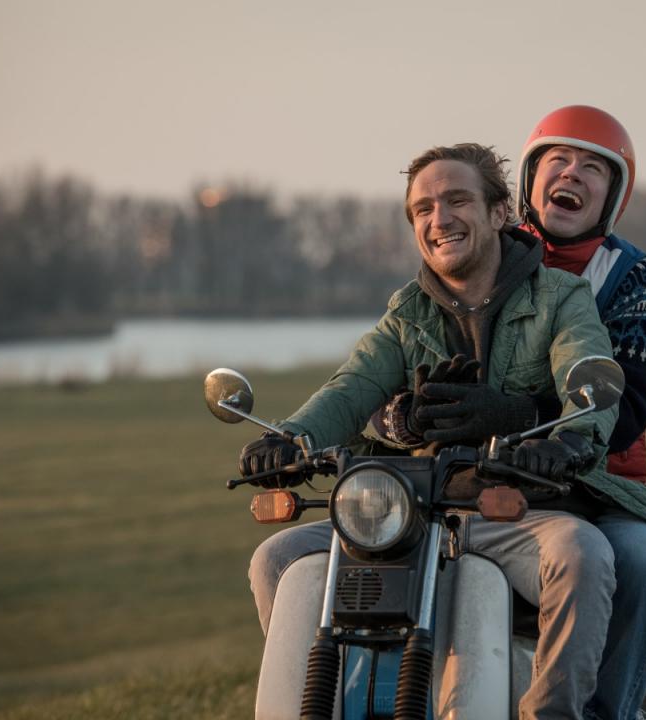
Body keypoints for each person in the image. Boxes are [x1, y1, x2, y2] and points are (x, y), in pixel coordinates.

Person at [246, 143, 624, 719]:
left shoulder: (559, 296)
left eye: (456, 200)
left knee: (583, 552)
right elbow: (350, 389)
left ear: (499, 213)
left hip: (513, 510)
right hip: (411, 513)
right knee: (276, 558)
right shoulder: (407, 311)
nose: (438, 219)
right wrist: (289, 438)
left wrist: (566, 438)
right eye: (422, 209)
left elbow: (585, 374)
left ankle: (552, 714)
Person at [369, 106, 646, 720]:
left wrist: (511, 414)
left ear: (612, 194)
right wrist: (406, 416)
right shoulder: (481, 248)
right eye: (558, 160)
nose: (572, 174)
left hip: (592, 484)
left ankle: (602, 713)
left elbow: (629, 409)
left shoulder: (628, 275)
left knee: (642, 560)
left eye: (593, 167)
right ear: (529, 181)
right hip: (465, 482)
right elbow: (389, 365)